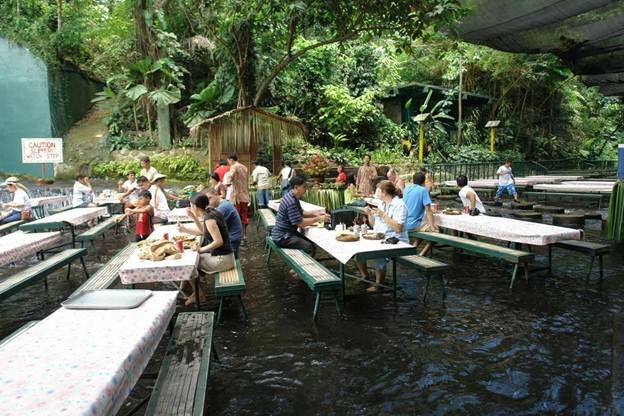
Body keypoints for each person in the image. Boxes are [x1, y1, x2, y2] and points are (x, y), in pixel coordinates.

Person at [178, 193, 235, 306]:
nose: (190, 207)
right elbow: (202, 231)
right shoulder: (211, 212)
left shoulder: (209, 218)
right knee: (193, 259)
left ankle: (199, 294)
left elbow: (218, 241)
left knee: (188, 265)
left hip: (223, 259)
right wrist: (187, 226)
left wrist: (201, 249)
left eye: (191, 205)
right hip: (225, 256)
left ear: (195, 206)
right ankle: (192, 289)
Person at [356, 180, 408, 293]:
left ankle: (378, 285)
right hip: (380, 236)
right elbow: (375, 225)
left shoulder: (399, 205)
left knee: (378, 255)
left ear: (384, 192)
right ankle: (365, 276)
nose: (375, 193)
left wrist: (383, 215)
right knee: (356, 249)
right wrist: (369, 214)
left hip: (396, 240)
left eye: (377, 191)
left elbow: (398, 228)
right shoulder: (381, 204)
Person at [271, 175, 328, 256]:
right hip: (283, 237)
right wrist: (318, 218)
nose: (306, 189)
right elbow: (301, 223)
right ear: (296, 187)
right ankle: (298, 268)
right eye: (304, 187)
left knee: (311, 243)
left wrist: (314, 213)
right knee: (309, 248)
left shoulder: (291, 196)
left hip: (283, 234)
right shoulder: (291, 201)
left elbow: (300, 212)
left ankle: (305, 266)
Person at [403, 172, 438, 256]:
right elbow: (428, 211)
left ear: (413, 180)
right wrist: (433, 227)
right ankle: (422, 254)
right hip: (413, 225)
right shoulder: (423, 190)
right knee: (437, 232)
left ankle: (413, 249)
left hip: (403, 223)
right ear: (424, 182)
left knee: (424, 229)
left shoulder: (406, 189)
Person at [205, 188, 243, 258]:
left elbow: (205, 229)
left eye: (210, 198)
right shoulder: (223, 203)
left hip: (231, 242)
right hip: (232, 240)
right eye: (206, 201)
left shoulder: (223, 207)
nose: (208, 203)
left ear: (216, 194)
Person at [227, 153, 250, 239]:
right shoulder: (244, 167)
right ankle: (245, 234)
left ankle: (238, 233)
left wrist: (228, 182)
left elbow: (230, 176)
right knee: (244, 214)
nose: (229, 163)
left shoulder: (234, 167)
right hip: (245, 194)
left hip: (236, 196)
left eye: (228, 161)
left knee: (237, 215)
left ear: (231, 160)